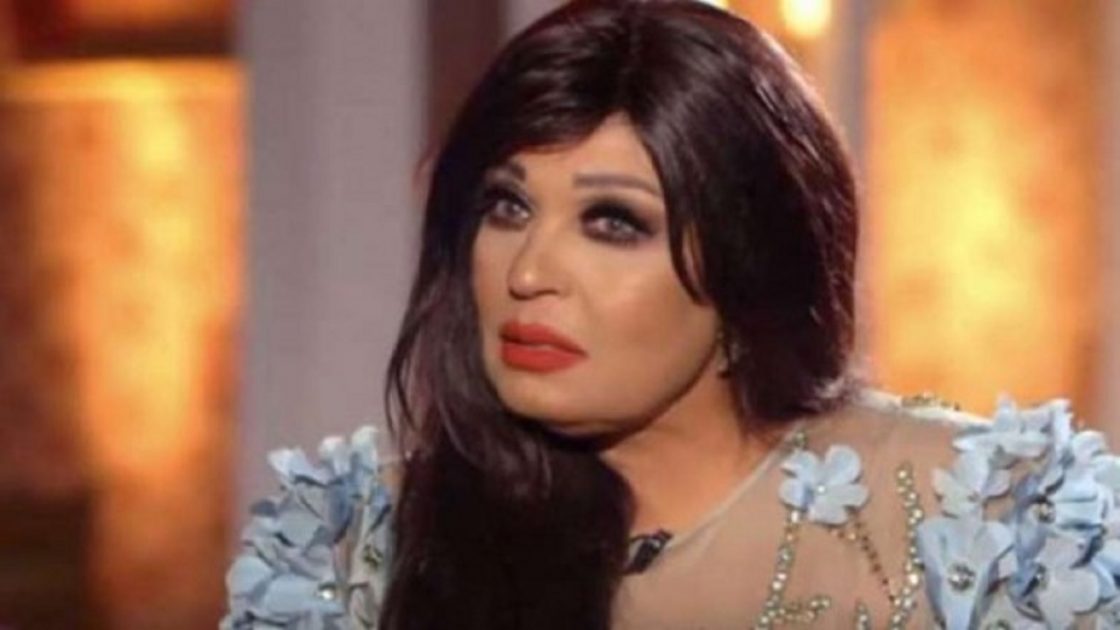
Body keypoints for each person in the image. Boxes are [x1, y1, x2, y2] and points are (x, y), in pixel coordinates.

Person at [222, 1, 1120, 628]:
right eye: (507, 206)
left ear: (749, 268)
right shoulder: (356, 548)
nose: (529, 272)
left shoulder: (985, 523)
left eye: (614, 223)